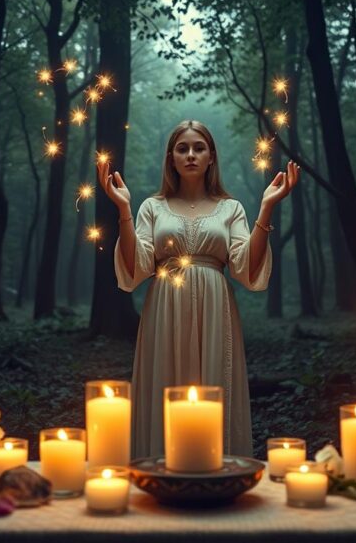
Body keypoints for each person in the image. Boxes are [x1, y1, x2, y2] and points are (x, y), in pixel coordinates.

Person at [97, 119, 299, 460]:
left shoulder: (231, 208)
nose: (190, 154)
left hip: (215, 308)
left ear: (211, 157)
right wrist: (124, 209)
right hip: (164, 307)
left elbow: (247, 269)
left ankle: (216, 468)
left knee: (214, 383)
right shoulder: (152, 207)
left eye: (199, 148)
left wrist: (267, 207)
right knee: (165, 384)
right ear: (171, 158)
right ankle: (160, 466)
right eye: (182, 148)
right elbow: (135, 268)